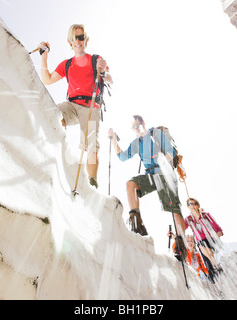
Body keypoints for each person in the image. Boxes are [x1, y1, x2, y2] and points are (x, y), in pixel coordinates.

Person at [39, 24, 113, 188]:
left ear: (86, 40)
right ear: (70, 42)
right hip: (72, 105)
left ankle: (92, 182)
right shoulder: (67, 64)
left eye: (81, 37)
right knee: (54, 114)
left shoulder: (96, 59)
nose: (78, 41)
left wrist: (102, 72)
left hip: (91, 106)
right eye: (74, 38)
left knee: (92, 145)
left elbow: (110, 79)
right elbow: (47, 79)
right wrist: (44, 57)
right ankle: (57, 157)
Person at [109, 115, 187, 259]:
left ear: (143, 123)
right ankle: (137, 224)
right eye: (134, 127)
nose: (136, 128)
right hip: (151, 176)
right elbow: (122, 156)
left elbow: (171, 153)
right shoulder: (137, 143)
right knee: (130, 184)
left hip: (165, 173)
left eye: (138, 125)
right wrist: (113, 138)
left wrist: (160, 158)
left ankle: (181, 245)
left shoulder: (157, 134)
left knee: (173, 209)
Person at [184, 197, 223, 277]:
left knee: (202, 244)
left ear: (198, 205)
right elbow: (181, 228)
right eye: (190, 204)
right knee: (201, 245)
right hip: (201, 244)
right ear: (188, 207)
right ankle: (215, 267)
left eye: (194, 204)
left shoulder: (206, 215)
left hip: (212, 240)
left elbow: (219, 230)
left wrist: (216, 235)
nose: (192, 206)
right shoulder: (189, 219)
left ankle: (215, 265)